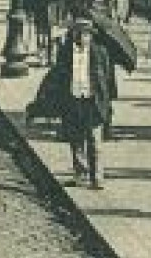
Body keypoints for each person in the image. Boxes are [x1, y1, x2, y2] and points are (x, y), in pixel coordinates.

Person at [35, 10, 119, 188]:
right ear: (74, 34)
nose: (82, 37)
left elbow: (109, 79)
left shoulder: (101, 53)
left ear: (91, 35)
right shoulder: (66, 53)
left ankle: (97, 177)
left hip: (93, 101)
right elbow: (58, 75)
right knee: (76, 140)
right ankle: (81, 174)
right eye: (79, 33)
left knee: (95, 141)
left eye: (86, 33)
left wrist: (108, 101)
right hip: (73, 100)